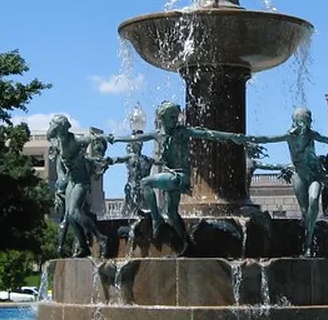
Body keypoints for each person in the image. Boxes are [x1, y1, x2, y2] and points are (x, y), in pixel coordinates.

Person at [107, 101, 259, 253]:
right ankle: (187, 244)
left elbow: (207, 134)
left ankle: (156, 218)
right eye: (171, 117)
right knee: (172, 213)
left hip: (180, 176)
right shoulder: (157, 134)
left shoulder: (183, 132)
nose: (176, 119)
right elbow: (134, 138)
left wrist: (234, 137)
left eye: (176, 116)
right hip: (171, 176)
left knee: (145, 182)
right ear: (162, 118)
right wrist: (115, 138)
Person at [250, 108, 328, 257]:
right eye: (299, 121)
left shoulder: (312, 135)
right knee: (305, 211)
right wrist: (249, 139)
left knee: (313, 199)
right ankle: (307, 241)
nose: (301, 125)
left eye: (304, 121)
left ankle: (308, 241)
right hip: (298, 174)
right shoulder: (289, 136)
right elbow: (268, 139)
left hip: (314, 175)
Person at [46, 115, 108, 258]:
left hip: (81, 181)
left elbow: (95, 140)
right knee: (69, 216)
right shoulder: (56, 143)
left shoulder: (76, 140)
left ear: (62, 127)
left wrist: (99, 142)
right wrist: (60, 179)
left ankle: (100, 238)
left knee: (74, 212)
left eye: (56, 125)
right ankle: (83, 247)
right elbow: (59, 163)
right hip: (71, 182)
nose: (53, 128)